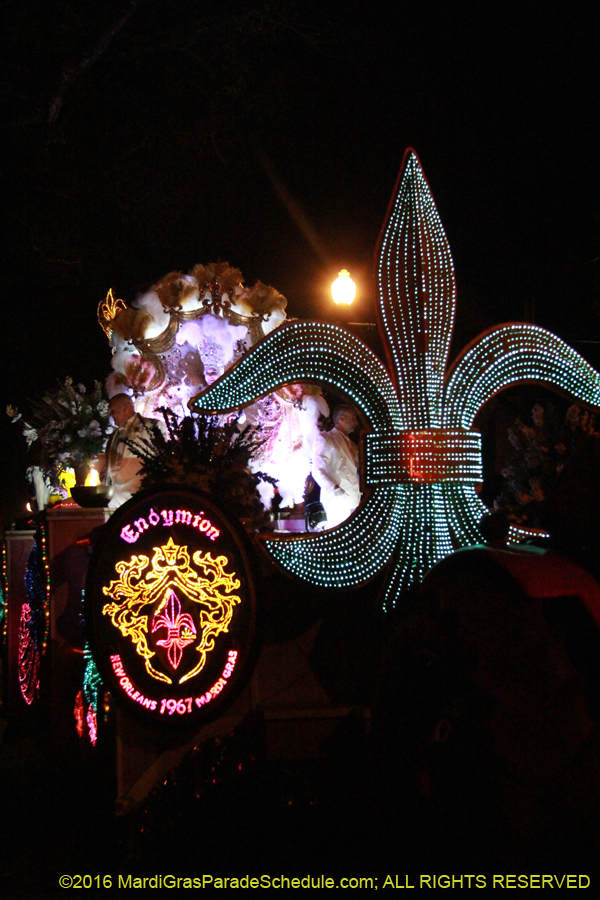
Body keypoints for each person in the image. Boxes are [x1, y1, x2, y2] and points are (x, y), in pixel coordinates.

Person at [101, 393, 159, 508]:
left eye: (113, 410)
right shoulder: (114, 435)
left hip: (140, 497)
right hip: (114, 500)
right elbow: (108, 466)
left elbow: (159, 460)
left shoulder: (151, 426)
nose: (111, 415)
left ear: (125, 408)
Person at [312, 404, 361, 529]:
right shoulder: (326, 438)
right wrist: (335, 490)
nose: (356, 422)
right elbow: (318, 470)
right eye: (353, 418)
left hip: (354, 500)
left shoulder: (353, 445)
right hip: (336, 501)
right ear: (341, 418)